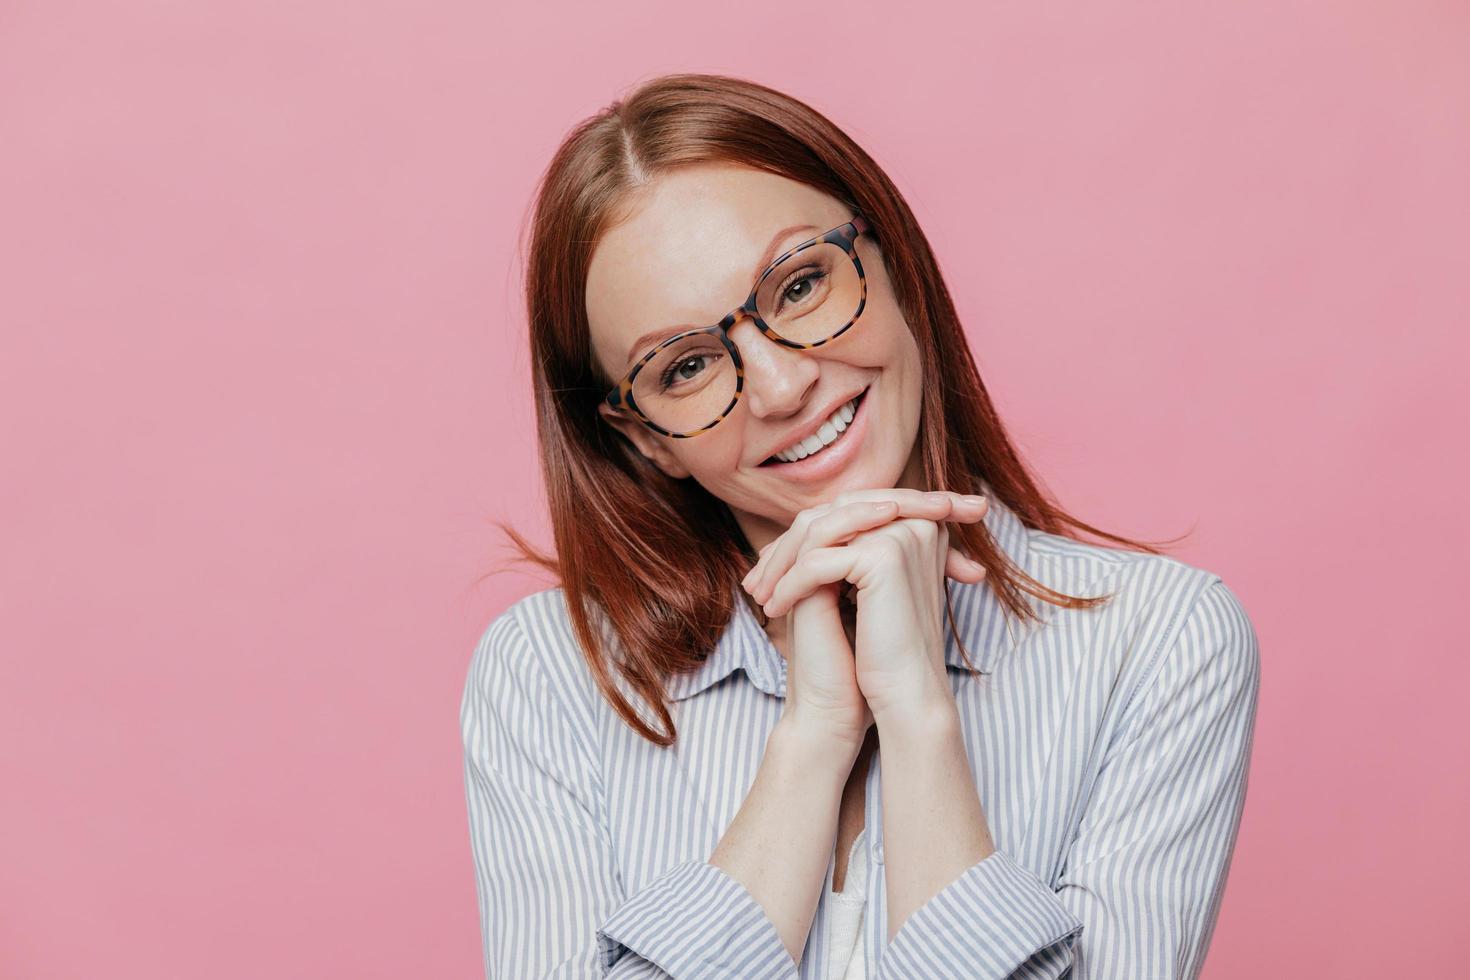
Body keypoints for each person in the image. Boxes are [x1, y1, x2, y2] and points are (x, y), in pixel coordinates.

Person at [461, 72, 1261, 980]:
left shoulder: (1158, 643)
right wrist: (812, 740)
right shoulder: (550, 676)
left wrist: (920, 721)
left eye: (799, 284)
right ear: (647, 440)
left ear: (894, 265)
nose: (780, 387)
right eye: (684, 369)